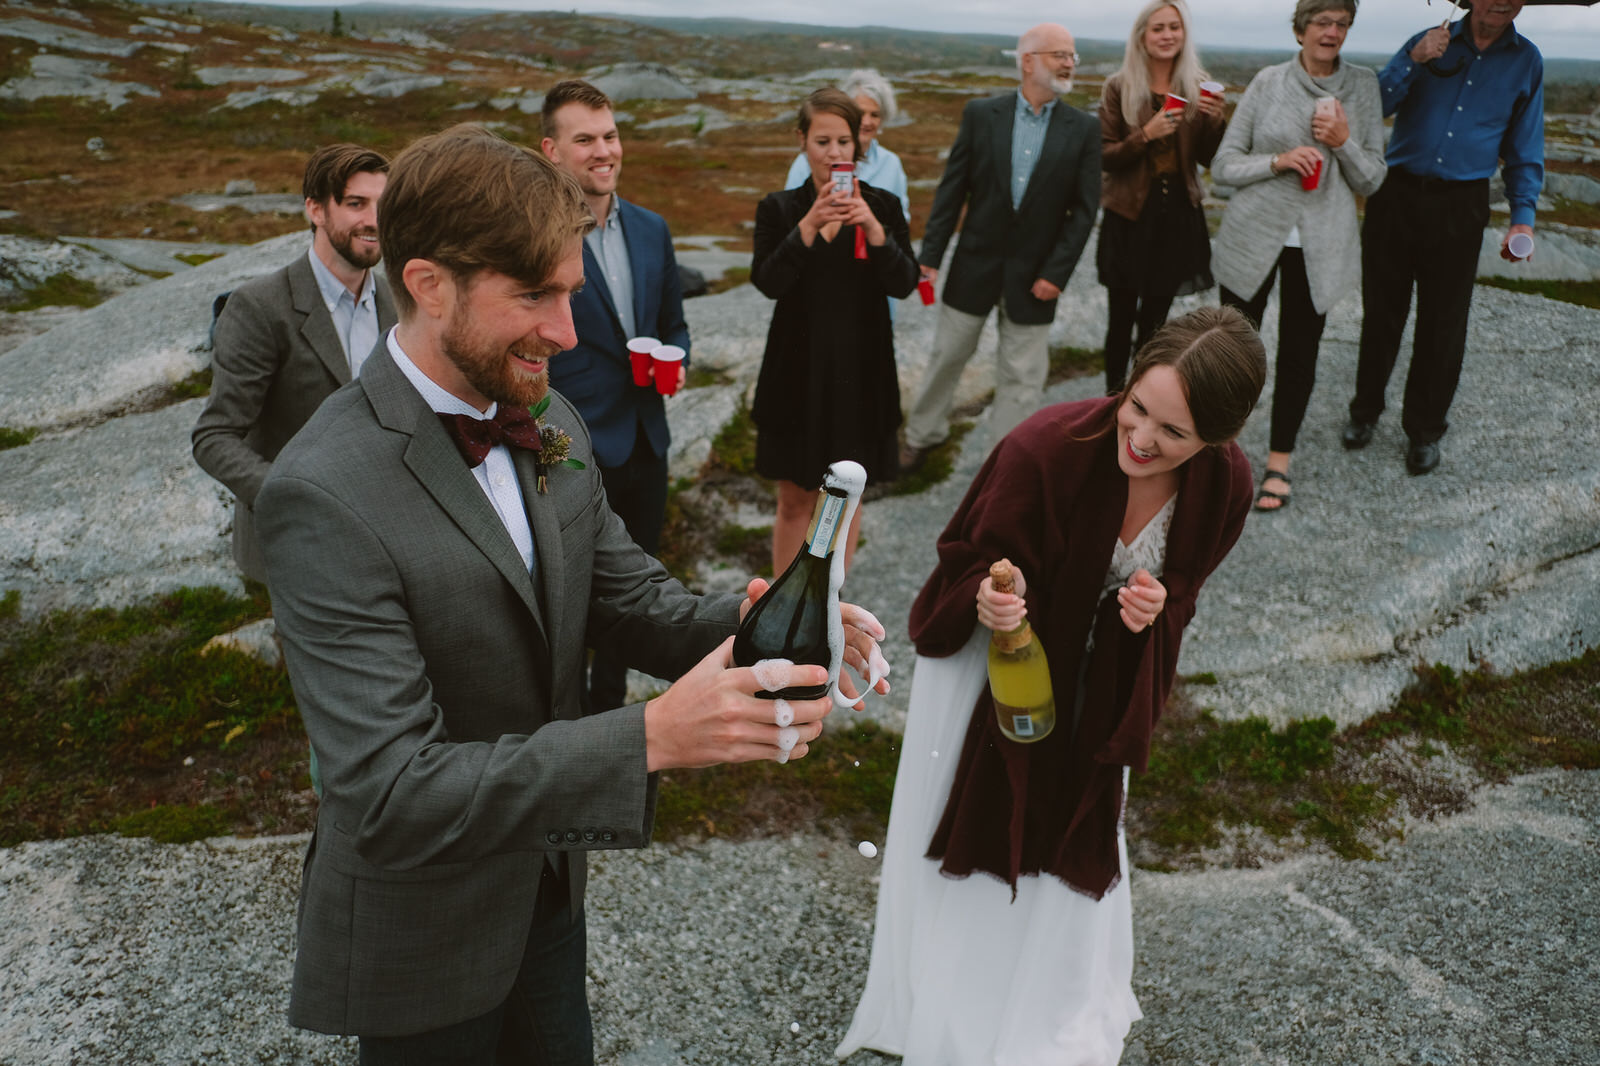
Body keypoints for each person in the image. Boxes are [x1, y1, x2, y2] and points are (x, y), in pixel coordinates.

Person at [254, 124, 889, 1064]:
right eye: (535, 296)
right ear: (428, 284)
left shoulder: (548, 417)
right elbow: (387, 791)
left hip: (548, 890)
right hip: (424, 931)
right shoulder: (322, 492)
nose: (565, 331)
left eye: (571, 292)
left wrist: (762, 622)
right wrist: (651, 737)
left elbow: (631, 601)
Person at [837, 306, 1266, 1066]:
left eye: (1174, 434)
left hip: (1103, 680)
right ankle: (956, 1006)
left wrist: (1157, 607)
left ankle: (1050, 1001)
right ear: (1127, 384)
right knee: (979, 819)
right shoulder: (1044, 448)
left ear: (1218, 440)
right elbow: (962, 558)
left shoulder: (1226, 483)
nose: (1141, 439)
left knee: (1077, 822)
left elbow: (1187, 586)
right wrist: (988, 596)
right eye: (1138, 408)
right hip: (993, 673)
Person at [1340, 0, 1543, 476]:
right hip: (1397, 194)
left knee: (1444, 323)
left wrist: (1523, 216)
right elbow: (1377, 106)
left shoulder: (1526, 60)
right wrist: (1414, 61)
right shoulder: (1427, 39)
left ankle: (1424, 430)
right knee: (1382, 312)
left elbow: (1525, 144)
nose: (1502, 2)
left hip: (1462, 203)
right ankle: (1364, 411)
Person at [540, 78, 690, 712]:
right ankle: (561, 715)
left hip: (646, 440)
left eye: (610, 136)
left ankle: (612, 703)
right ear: (551, 150)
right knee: (567, 596)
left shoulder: (653, 229)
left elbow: (673, 324)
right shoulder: (537, 236)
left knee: (637, 588)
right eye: (585, 140)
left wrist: (677, 364)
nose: (604, 151)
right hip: (569, 447)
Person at [898, 22, 1100, 473]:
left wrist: (1058, 273)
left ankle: (1006, 465)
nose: (1069, 63)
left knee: (1023, 377)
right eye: (1059, 55)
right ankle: (921, 435)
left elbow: (1085, 212)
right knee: (948, 355)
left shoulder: (1084, 129)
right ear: (1027, 61)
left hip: (1038, 277)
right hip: (974, 264)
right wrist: (930, 257)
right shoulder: (979, 114)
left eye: (1073, 56)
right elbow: (952, 191)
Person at [191, 142, 396, 583]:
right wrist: (295, 499)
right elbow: (214, 436)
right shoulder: (259, 306)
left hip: (388, 542)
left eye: (383, 204)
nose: (374, 220)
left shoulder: (401, 301)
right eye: (356, 204)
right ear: (316, 210)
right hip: (297, 548)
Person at [1210, 0, 1385, 511]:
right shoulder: (1268, 82)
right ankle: (1220, 454)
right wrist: (1278, 160)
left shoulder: (1363, 87)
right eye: (1323, 22)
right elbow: (1223, 166)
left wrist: (1344, 141)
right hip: (1252, 238)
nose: (1332, 33)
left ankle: (1278, 463)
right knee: (1231, 351)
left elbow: (1372, 178)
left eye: (1342, 24)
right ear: (1301, 28)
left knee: (1299, 356)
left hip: (1320, 246)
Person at [751, 88, 919, 575]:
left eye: (844, 142)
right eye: (822, 141)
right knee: (794, 501)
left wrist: (877, 233)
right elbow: (768, 282)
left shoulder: (883, 207)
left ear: (858, 146)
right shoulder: (779, 208)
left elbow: (905, 282)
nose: (834, 153)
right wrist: (807, 229)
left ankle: (831, 603)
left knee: (847, 500)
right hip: (796, 374)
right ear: (802, 142)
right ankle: (778, 606)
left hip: (861, 374)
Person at [1097, 0, 1226, 394]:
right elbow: (1104, 156)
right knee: (1120, 320)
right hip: (1128, 216)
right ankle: (1112, 402)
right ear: (1141, 36)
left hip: (1177, 218)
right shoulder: (1118, 86)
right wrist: (1146, 135)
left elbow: (1208, 158)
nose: (1168, 35)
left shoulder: (1197, 85)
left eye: (1175, 27)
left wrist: (1216, 120)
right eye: (1158, 28)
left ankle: (1142, 399)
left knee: (1155, 324)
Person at [784, 69, 911, 235]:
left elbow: (901, 223)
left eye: (875, 115)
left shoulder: (891, 163)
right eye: (860, 113)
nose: (866, 122)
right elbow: (787, 219)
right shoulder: (807, 161)